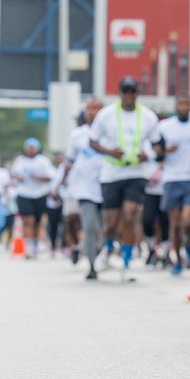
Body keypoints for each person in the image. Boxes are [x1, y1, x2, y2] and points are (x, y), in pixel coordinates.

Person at [90, 76, 162, 282]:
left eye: (132, 91)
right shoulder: (106, 115)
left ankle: (127, 263)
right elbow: (92, 141)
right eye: (125, 91)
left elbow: (158, 146)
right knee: (111, 222)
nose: (129, 95)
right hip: (111, 173)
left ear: (136, 93)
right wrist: (109, 151)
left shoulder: (148, 116)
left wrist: (147, 155)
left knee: (130, 215)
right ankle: (109, 246)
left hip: (136, 173)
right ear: (120, 93)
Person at [156, 94, 190, 275]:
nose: (183, 107)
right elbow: (156, 152)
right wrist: (165, 151)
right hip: (171, 178)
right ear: (175, 106)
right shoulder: (165, 127)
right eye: (180, 103)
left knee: (187, 220)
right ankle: (177, 259)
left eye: (187, 104)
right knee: (174, 224)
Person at [62, 97, 108, 280]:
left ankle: (102, 251)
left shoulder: (109, 133)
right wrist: (64, 182)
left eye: (96, 108)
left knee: (106, 228)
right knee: (89, 226)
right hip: (85, 189)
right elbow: (69, 161)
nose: (91, 112)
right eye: (89, 108)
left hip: (107, 185)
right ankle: (91, 266)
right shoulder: (78, 135)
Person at [11, 139, 55, 258]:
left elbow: (50, 177)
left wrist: (37, 177)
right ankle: (29, 247)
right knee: (27, 220)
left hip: (40, 194)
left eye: (33, 147)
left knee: (38, 222)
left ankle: (36, 244)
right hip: (24, 194)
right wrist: (18, 177)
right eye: (28, 147)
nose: (30, 149)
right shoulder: (20, 161)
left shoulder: (43, 161)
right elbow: (13, 175)